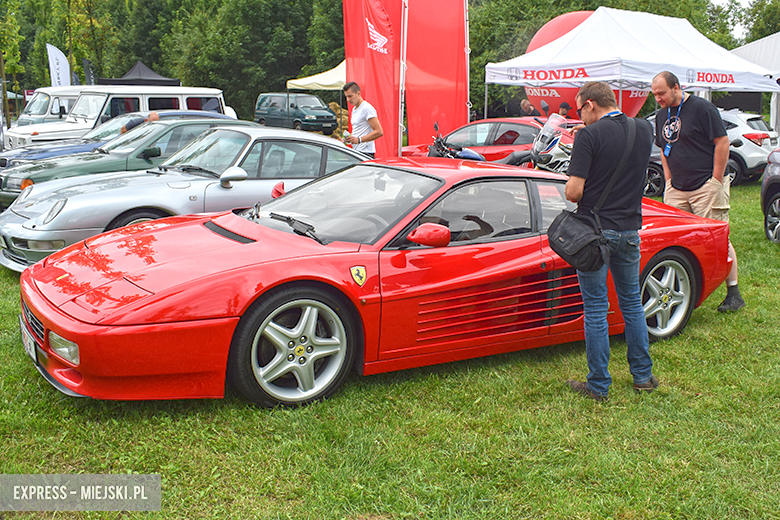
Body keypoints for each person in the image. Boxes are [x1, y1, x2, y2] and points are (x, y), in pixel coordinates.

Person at [564, 81, 658, 402]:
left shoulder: (589, 136)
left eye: (580, 110)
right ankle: (642, 376)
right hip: (630, 229)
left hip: (595, 232)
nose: (580, 117)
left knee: (595, 308)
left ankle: (599, 385)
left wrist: (582, 148)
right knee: (632, 303)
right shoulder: (643, 129)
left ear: (590, 104)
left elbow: (574, 192)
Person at [651, 71, 744, 312]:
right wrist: (669, 181)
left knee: (718, 238)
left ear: (676, 88)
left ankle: (733, 293)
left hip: (705, 186)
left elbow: (721, 142)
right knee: (675, 241)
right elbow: (663, 148)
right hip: (677, 188)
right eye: (654, 94)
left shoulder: (702, 108)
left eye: (661, 93)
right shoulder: (662, 115)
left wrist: (715, 179)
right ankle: (683, 289)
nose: (658, 98)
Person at [342, 82, 383, 158]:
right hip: (357, 150)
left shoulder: (367, 108)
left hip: (366, 152)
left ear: (358, 93)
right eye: (346, 97)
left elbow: (379, 132)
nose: (348, 99)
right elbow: (359, 130)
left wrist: (359, 140)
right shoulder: (354, 109)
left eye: (350, 96)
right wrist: (347, 140)